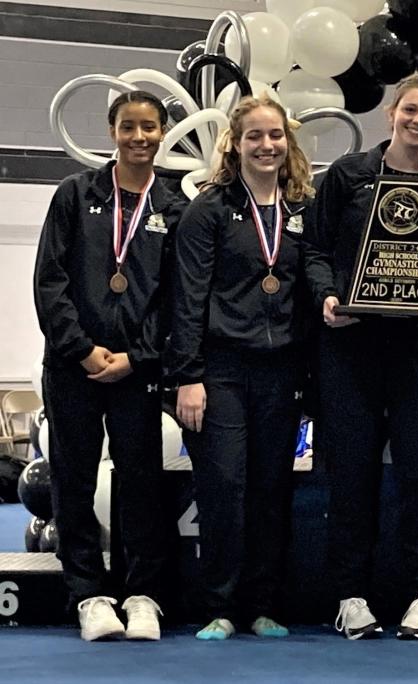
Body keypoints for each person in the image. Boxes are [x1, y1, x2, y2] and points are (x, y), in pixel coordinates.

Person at [306, 72, 418, 641]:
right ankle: (351, 596)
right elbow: (315, 248)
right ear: (391, 113)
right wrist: (327, 296)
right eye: (411, 110)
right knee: (351, 477)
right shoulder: (346, 176)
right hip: (349, 350)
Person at [33, 90, 183, 641]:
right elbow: (50, 280)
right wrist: (82, 349)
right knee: (72, 480)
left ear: (163, 131)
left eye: (149, 127)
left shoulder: (173, 208)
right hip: (74, 366)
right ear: (111, 131)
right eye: (128, 127)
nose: (139, 137)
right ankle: (89, 594)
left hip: (137, 371)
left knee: (141, 481)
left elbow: (175, 298)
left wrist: (136, 358)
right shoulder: (75, 195)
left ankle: (142, 594)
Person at [167, 95, 315, 641]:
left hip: (282, 371)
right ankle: (221, 606)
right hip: (221, 370)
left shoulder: (302, 210)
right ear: (236, 143)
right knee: (224, 484)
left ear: (287, 142)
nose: (267, 145)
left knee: (271, 487)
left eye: (275, 135)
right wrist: (187, 375)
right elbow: (187, 297)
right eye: (255, 136)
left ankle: (264, 604)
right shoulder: (209, 209)